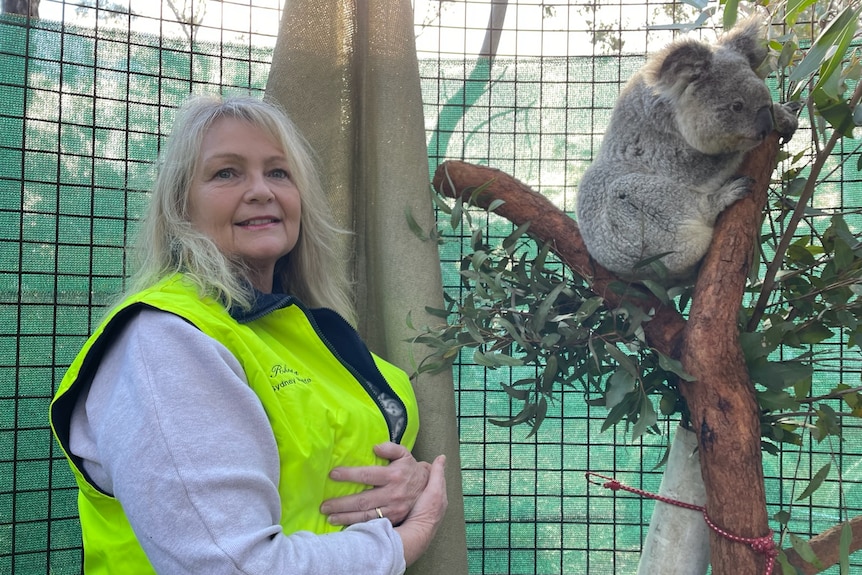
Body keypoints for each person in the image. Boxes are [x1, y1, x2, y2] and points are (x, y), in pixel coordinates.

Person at [49, 94, 448, 574]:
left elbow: (339, 462)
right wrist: (405, 540)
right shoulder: (166, 339)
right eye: (226, 173)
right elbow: (231, 566)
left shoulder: (297, 329)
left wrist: (409, 482)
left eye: (278, 172)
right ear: (180, 206)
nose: (261, 190)